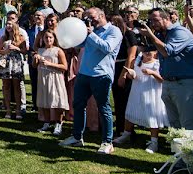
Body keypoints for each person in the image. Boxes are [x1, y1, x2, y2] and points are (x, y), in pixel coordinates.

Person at [60, 8, 123, 154]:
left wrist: (91, 34)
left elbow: (107, 48)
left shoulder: (113, 31)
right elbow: (78, 45)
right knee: (79, 105)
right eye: (87, 17)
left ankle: (107, 142)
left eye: (92, 17)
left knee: (103, 108)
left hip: (101, 75)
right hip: (84, 74)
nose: (90, 20)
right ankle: (77, 137)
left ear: (102, 15)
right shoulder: (90, 31)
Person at [137, 8, 193, 129]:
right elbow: (151, 48)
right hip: (168, 82)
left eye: (155, 20)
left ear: (167, 18)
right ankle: (177, 148)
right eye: (150, 21)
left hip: (185, 83)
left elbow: (167, 51)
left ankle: (191, 148)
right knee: (174, 125)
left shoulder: (180, 32)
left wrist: (150, 35)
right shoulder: (160, 34)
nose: (152, 24)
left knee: (189, 124)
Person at [113, 48, 168, 153]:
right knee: (131, 111)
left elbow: (162, 80)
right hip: (137, 91)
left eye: (150, 51)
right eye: (146, 51)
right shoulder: (138, 61)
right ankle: (126, 134)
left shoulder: (158, 63)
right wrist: (131, 74)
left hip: (151, 93)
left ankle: (154, 142)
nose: (147, 53)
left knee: (152, 115)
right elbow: (134, 75)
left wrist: (152, 73)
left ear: (156, 53)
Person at [34, 30, 68, 136]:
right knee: (45, 100)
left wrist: (49, 64)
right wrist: (35, 59)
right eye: (46, 37)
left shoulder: (58, 51)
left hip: (55, 78)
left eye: (50, 37)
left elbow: (64, 67)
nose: (48, 39)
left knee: (57, 100)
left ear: (54, 39)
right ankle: (47, 122)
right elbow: (34, 66)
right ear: (42, 39)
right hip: (43, 77)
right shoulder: (40, 50)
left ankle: (59, 123)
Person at [111, 14, 139, 141]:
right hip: (115, 67)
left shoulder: (129, 34)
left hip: (124, 67)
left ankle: (127, 130)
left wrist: (124, 74)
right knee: (118, 100)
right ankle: (121, 128)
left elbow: (131, 55)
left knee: (125, 100)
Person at [0, 16, 28, 120]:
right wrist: (4, 51)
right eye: (7, 24)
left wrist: (16, 48)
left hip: (16, 63)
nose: (8, 26)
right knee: (6, 86)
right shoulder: (3, 38)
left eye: (10, 24)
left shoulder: (21, 37)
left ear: (14, 25)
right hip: (6, 63)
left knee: (17, 86)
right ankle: (8, 110)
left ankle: (18, 110)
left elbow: (25, 51)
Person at [25, 11, 46, 111]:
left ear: (44, 17)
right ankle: (35, 105)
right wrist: (32, 54)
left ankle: (45, 104)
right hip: (33, 59)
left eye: (39, 15)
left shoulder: (47, 30)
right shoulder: (29, 30)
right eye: (35, 15)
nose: (37, 17)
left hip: (46, 60)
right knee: (34, 82)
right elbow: (27, 45)